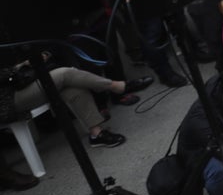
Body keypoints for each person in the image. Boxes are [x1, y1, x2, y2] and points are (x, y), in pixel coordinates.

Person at [1, 63, 149, 148]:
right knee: (66, 74)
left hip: (21, 82)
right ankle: (117, 86)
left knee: (72, 86)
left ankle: (96, 134)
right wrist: (20, 66)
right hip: (6, 99)